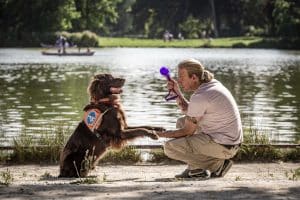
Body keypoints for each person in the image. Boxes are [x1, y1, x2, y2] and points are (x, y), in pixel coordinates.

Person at [157, 58, 243, 179]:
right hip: (229, 142)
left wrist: (158, 134)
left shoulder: (201, 96)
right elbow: (191, 111)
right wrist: (177, 93)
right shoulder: (211, 84)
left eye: (182, 77)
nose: (179, 81)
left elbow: (187, 131)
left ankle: (218, 165)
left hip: (224, 146)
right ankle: (196, 169)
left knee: (170, 147)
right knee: (181, 121)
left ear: (194, 77)